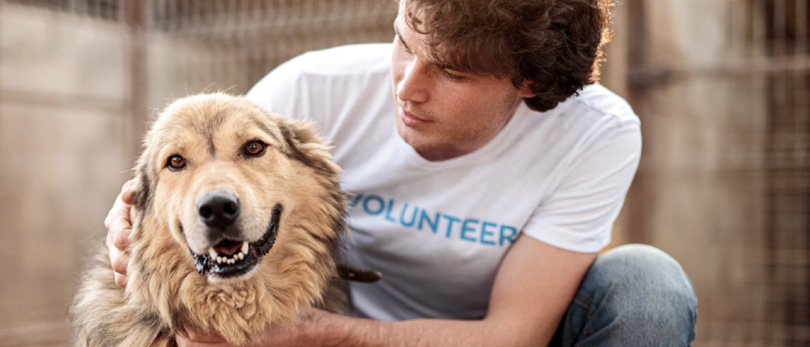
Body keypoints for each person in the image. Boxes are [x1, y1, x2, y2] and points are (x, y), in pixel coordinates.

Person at [105, 0, 698, 345]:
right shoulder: (310, 87)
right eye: (403, 42)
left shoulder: (595, 133)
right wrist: (130, 212)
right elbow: (204, 175)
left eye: (452, 73)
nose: (406, 87)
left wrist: (314, 333)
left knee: (648, 285)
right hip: (324, 327)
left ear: (530, 83)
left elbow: (509, 336)